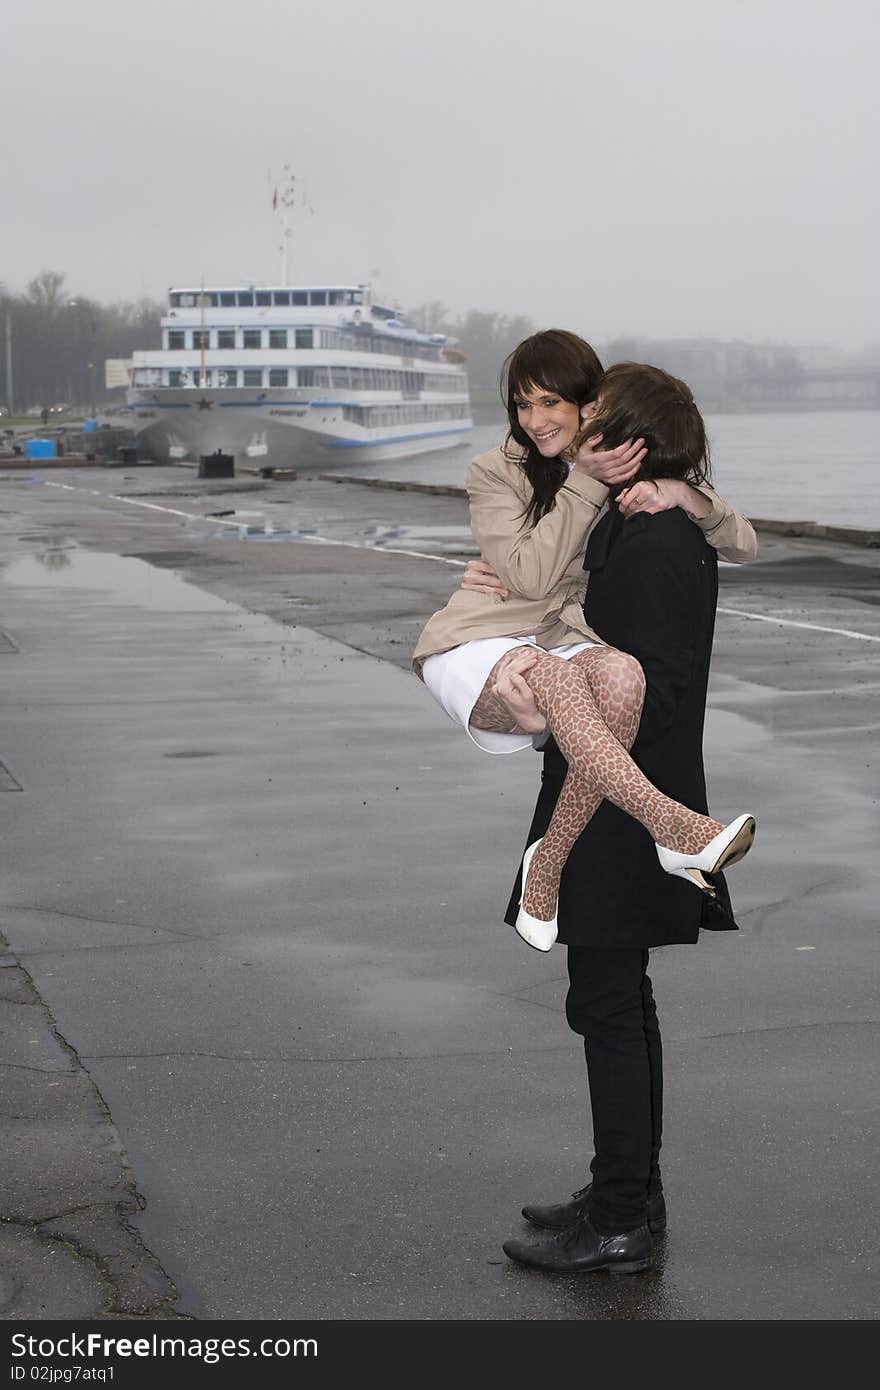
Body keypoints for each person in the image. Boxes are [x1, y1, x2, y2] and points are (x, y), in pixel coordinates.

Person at [468, 359, 752, 1275]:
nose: (579, 433)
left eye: (596, 421)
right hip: (614, 793)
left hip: (624, 809)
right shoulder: (640, 525)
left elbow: (656, 692)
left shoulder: (661, 539)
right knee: (619, 1003)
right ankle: (627, 1188)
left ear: (630, 437)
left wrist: (547, 699)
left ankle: (623, 1216)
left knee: (607, 1008)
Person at [412, 331, 756, 952]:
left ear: (587, 404)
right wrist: (585, 480)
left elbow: (744, 543)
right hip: (481, 638)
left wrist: (683, 493)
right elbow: (532, 576)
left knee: (624, 675)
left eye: (551, 404)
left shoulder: (617, 462)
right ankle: (674, 829)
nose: (536, 421)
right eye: (522, 405)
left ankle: (546, 866)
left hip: (560, 640)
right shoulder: (495, 471)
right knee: (559, 678)